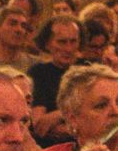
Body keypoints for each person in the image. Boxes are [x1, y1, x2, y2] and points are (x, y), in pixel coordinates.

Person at [26, 15, 84, 143]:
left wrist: (56, 116)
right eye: (62, 42)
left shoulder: (88, 71)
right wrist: (69, 114)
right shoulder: (38, 73)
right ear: (48, 44)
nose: (68, 48)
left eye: (73, 41)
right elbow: (40, 125)